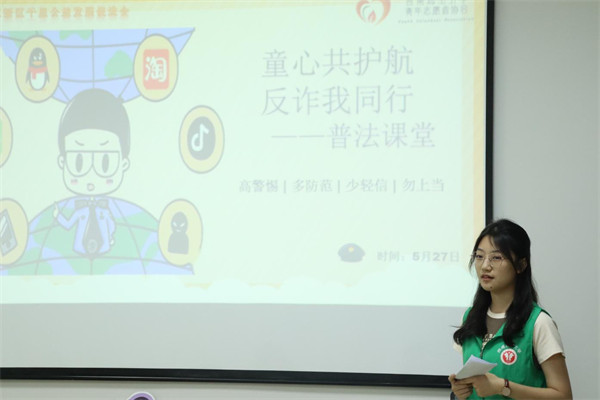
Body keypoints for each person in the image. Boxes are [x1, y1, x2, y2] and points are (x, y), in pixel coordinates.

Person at [448, 219, 572, 399]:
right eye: (479, 256)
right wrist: (460, 391)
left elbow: (564, 396)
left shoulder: (538, 323)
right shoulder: (470, 318)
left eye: (496, 258)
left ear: (521, 265)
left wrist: (503, 387)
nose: (485, 266)